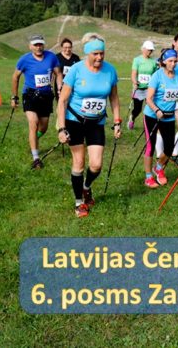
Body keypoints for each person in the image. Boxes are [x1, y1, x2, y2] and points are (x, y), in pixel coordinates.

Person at [56, 33, 122, 217]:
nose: (99, 57)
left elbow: (114, 98)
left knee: (96, 165)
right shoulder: (76, 70)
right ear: (87, 53)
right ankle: (79, 202)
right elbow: (62, 101)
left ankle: (86, 187)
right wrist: (61, 128)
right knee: (78, 162)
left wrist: (117, 122)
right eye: (95, 54)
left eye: (102, 53)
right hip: (75, 121)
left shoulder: (110, 70)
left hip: (97, 122)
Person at [11, 34, 63, 169]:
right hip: (30, 95)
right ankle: (36, 158)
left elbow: (58, 74)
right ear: (30, 46)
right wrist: (14, 97)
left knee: (43, 127)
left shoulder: (51, 57)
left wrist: (59, 87)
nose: (38, 47)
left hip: (46, 96)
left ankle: (33, 138)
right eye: (35, 45)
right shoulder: (24, 59)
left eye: (40, 44)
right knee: (33, 123)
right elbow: (15, 77)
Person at [142, 49, 178, 188]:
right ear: (164, 62)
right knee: (150, 146)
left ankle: (159, 167)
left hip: (169, 117)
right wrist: (156, 110)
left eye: (175, 61)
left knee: (169, 147)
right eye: (170, 61)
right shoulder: (157, 76)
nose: (173, 64)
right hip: (152, 115)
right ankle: (148, 177)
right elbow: (148, 98)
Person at [156, 34, 178, 167]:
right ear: (174, 43)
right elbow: (159, 75)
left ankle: (174, 153)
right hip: (165, 97)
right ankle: (159, 154)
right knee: (162, 127)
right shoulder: (167, 55)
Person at [128, 40, 158, 130]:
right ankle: (132, 117)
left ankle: (149, 125)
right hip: (139, 88)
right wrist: (134, 82)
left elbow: (155, 75)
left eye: (151, 50)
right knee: (138, 109)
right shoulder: (137, 60)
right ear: (143, 49)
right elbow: (134, 73)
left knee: (150, 108)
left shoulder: (153, 61)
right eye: (149, 50)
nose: (150, 51)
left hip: (149, 89)